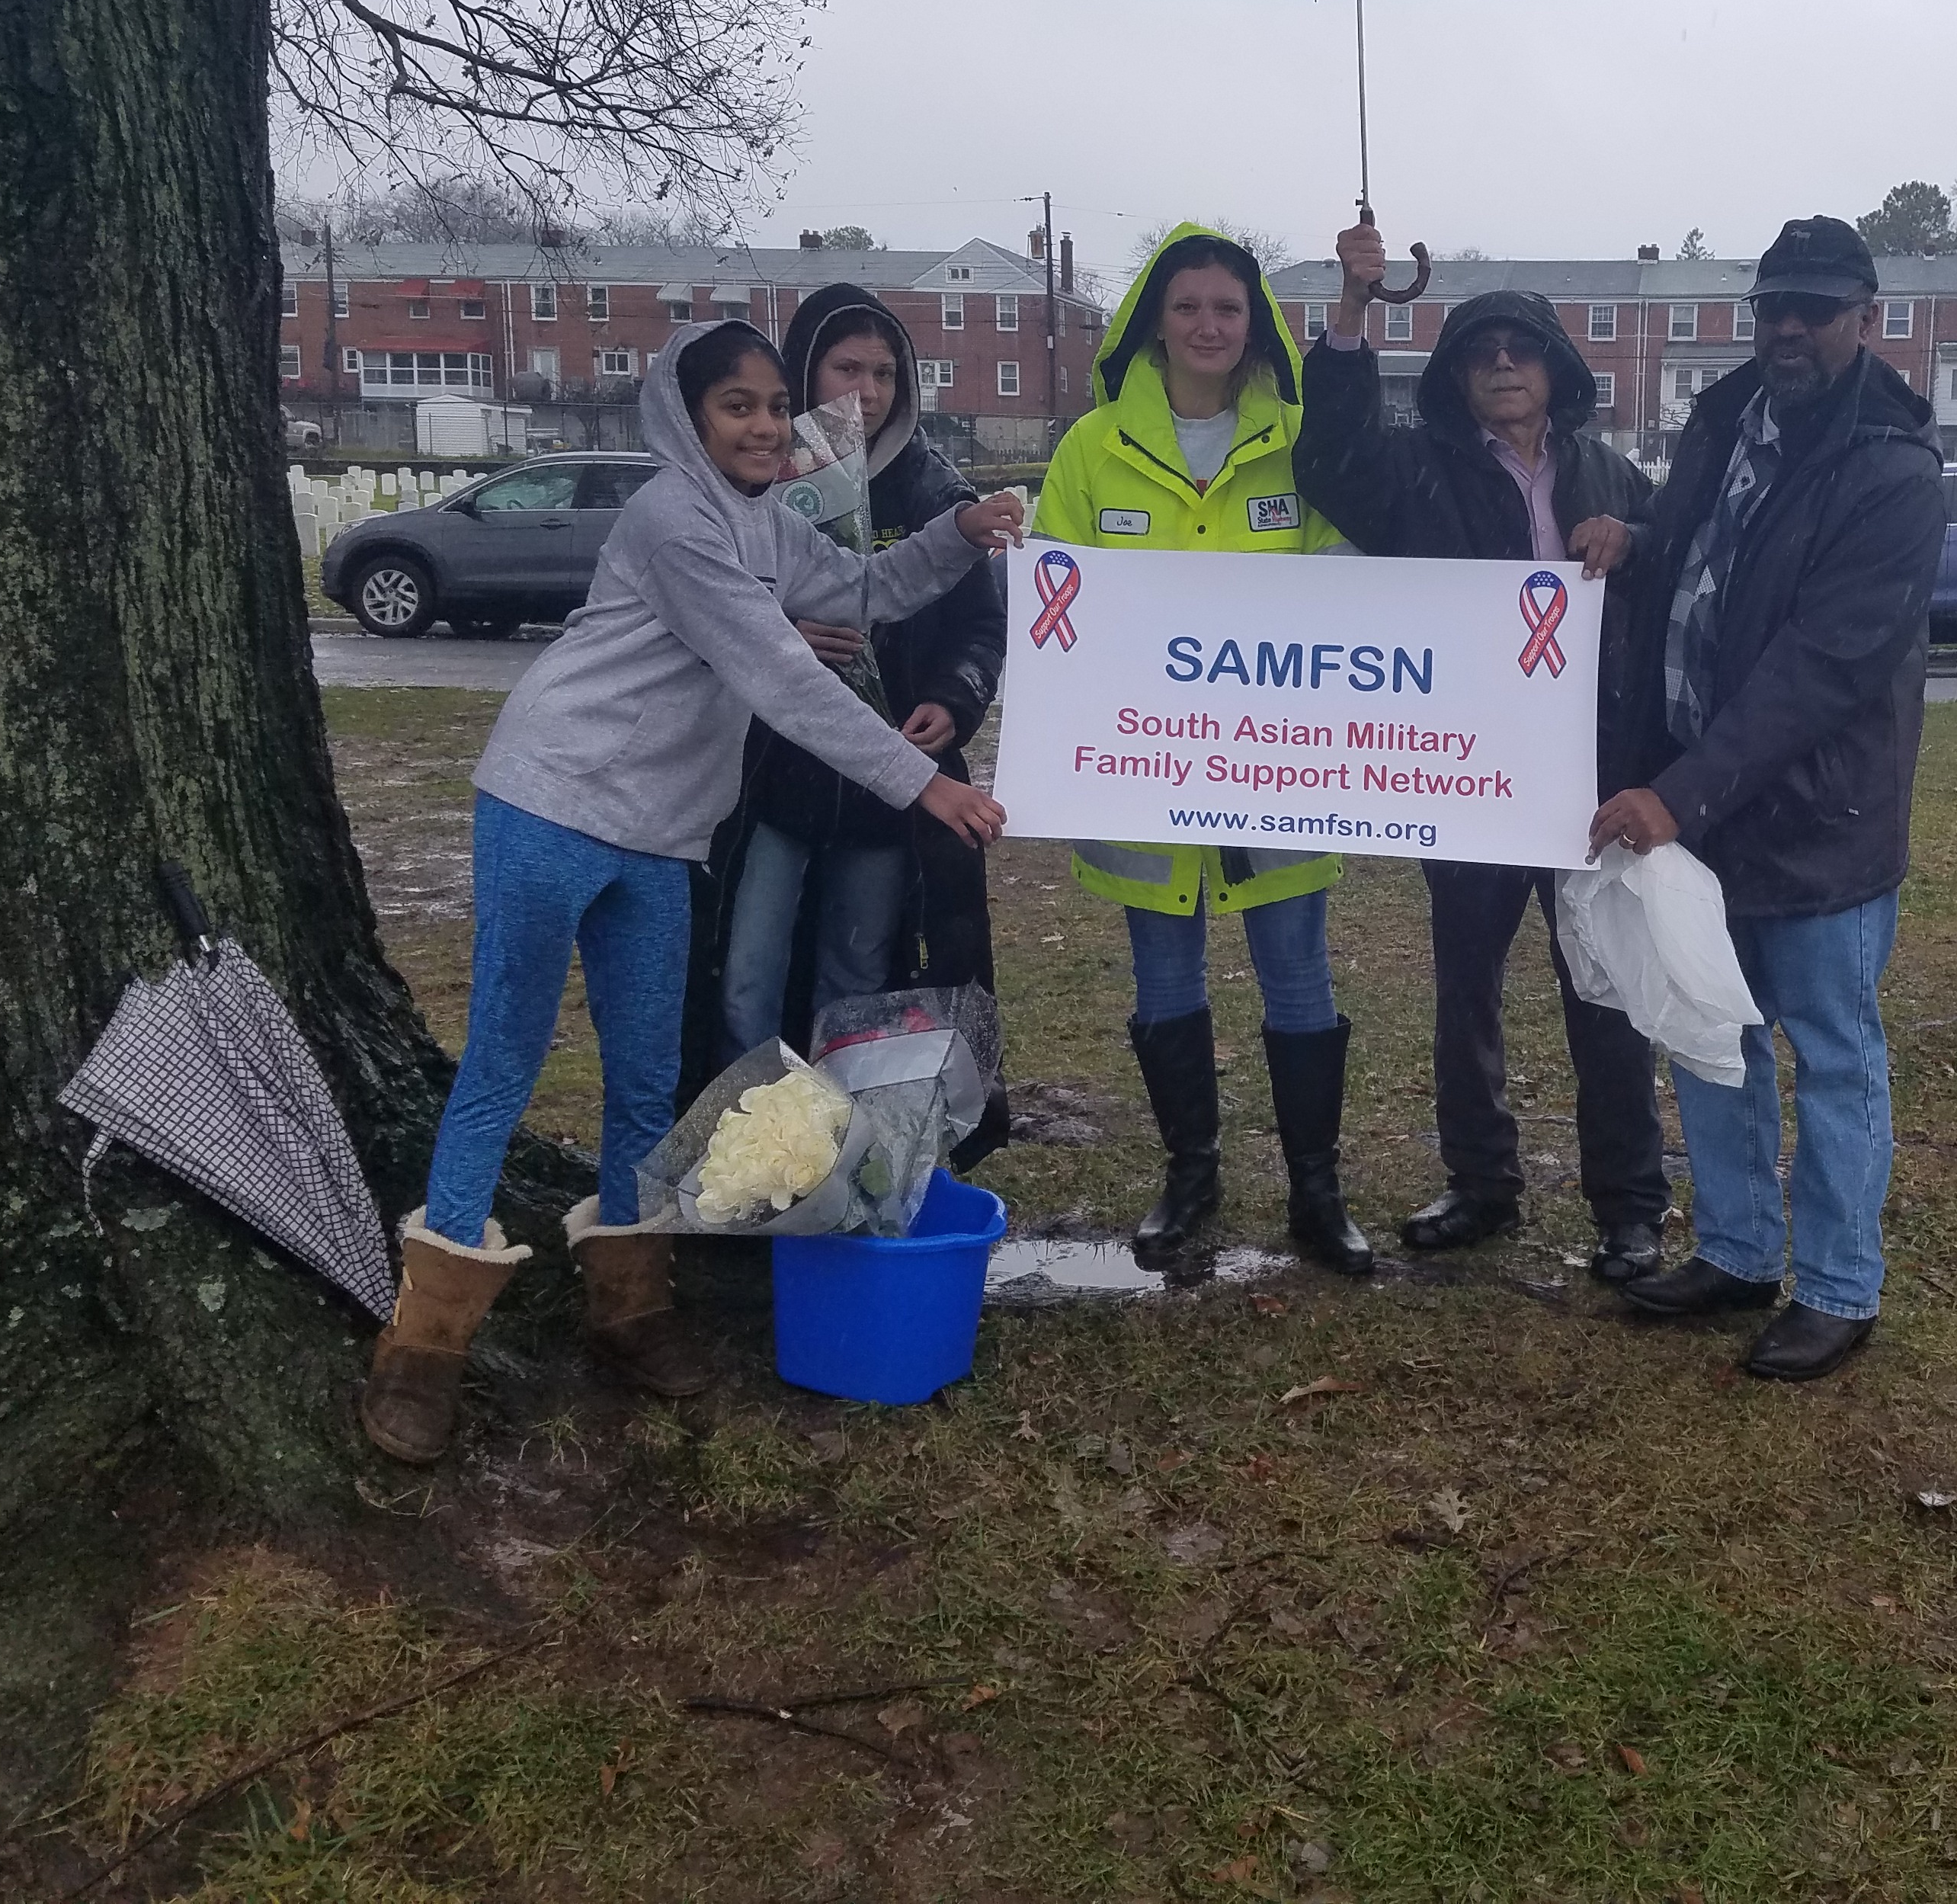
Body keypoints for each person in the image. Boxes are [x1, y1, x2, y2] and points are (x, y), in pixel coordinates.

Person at [361, 319, 1024, 1466]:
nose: (766, 427)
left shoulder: (770, 521)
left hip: (661, 834)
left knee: (647, 1074)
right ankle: (424, 1348)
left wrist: (960, 532)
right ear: (686, 415)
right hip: (552, 801)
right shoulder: (672, 518)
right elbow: (776, 672)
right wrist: (924, 786)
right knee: (504, 1061)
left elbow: (864, 591)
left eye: (776, 406)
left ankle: (630, 1308)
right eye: (738, 407)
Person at [1588, 215, 1946, 1382]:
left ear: (1866, 317)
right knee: (1710, 1034)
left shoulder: (1890, 469)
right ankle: (1739, 1252)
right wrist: (1633, 543)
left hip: (1813, 817)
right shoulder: (1727, 416)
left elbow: (1824, 664)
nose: (1788, 328)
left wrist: (1679, 796)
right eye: (1773, 307)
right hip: (1707, 808)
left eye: (1816, 309)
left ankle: (1840, 1288)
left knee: (1830, 1051)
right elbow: (1705, 556)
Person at [1292, 223, 1670, 1277]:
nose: (1503, 362)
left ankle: (1630, 1206)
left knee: (1604, 989)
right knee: (1467, 990)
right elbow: (1327, 460)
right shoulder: (1411, 473)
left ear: (1555, 371)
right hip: (1465, 777)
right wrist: (1355, 314)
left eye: (1523, 347)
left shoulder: (1609, 470)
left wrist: (1630, 542)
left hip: (1588, 777)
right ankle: (1482, 1182)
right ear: (1457, 378)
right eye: (1480, 350)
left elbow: (1674, 571)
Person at [1033, 225, 1373, 1275]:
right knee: (1163, 972)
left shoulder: (1299, 436)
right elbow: (1054, 592)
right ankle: (1192, 1174)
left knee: (1297, 973)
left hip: (1277, 767)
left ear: (1256, 321)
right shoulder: (1091, 447)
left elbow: (1346, 575)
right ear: (1154, 319)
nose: (1209, 326)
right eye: (1188, 307)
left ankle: (1318, 1191)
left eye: (1229, 308)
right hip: (1144, 771)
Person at [700, 285, 1007, 1117]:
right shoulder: (751, 486)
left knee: (859, 979)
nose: (864, 391)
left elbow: (982, 626)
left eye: (882, 373)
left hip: (890, 787)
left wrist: (954, 701)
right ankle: (739, 1152)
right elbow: (709, 614)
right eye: (845, 368)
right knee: (747, 975)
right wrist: (781, 632)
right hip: (771, 783)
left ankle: (839, 1153)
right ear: (804, 370)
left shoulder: (937, 491)